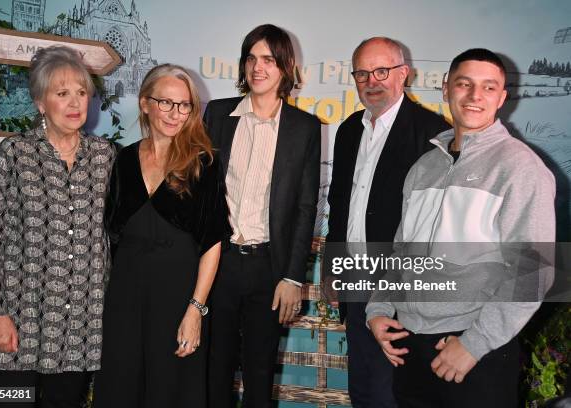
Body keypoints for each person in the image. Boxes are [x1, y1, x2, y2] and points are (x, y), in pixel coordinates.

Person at [366, 48, 555, 407]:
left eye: (488, 87)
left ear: (501, 98)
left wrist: (473, 344)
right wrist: (378, 309)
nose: (474, 96)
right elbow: (400, 251)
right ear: (446, 88)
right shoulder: (424, 166)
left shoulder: (520, 168)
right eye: (464, 84)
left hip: (474, 352)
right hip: (410, 345)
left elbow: (534, 271)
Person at [0, 46, 116, 407]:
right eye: (61, 93)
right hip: (17, 321)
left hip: (78, 327)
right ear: (40, 102)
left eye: (81, 93)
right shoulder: (15, 153)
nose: (74, 102)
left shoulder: (105, 157)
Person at [94, 64, 229, 408]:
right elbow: (110, 233)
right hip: (126, 294)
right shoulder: (123, 159)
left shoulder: (203, 163)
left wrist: (195, 310)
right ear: (144, 103)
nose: (175, 113)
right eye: (166, 103)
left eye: (184, 105)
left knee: (172, 390)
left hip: (178, 296)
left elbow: (212, 243)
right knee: (121, 386)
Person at [324, 37, 449, 407]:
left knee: (393, 392)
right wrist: (334, 265)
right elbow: (339, 205)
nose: (371, 81)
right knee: (363, 389)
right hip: (355, 279)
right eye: (362, 73)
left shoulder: (431, 133)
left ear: (403, 75)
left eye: (382, 70)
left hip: (403, 289)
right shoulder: (348, 131)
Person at [204, 24, 321, 408]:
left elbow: (306, 207)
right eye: (251, 58)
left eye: (268, 60)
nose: (258, 67)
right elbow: (201, 193)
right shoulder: (219, 114)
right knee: (213, 370)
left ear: (285, 68)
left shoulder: (303, 128)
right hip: (218, 263)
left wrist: (292, 276)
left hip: (268, 268)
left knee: (258, 375)